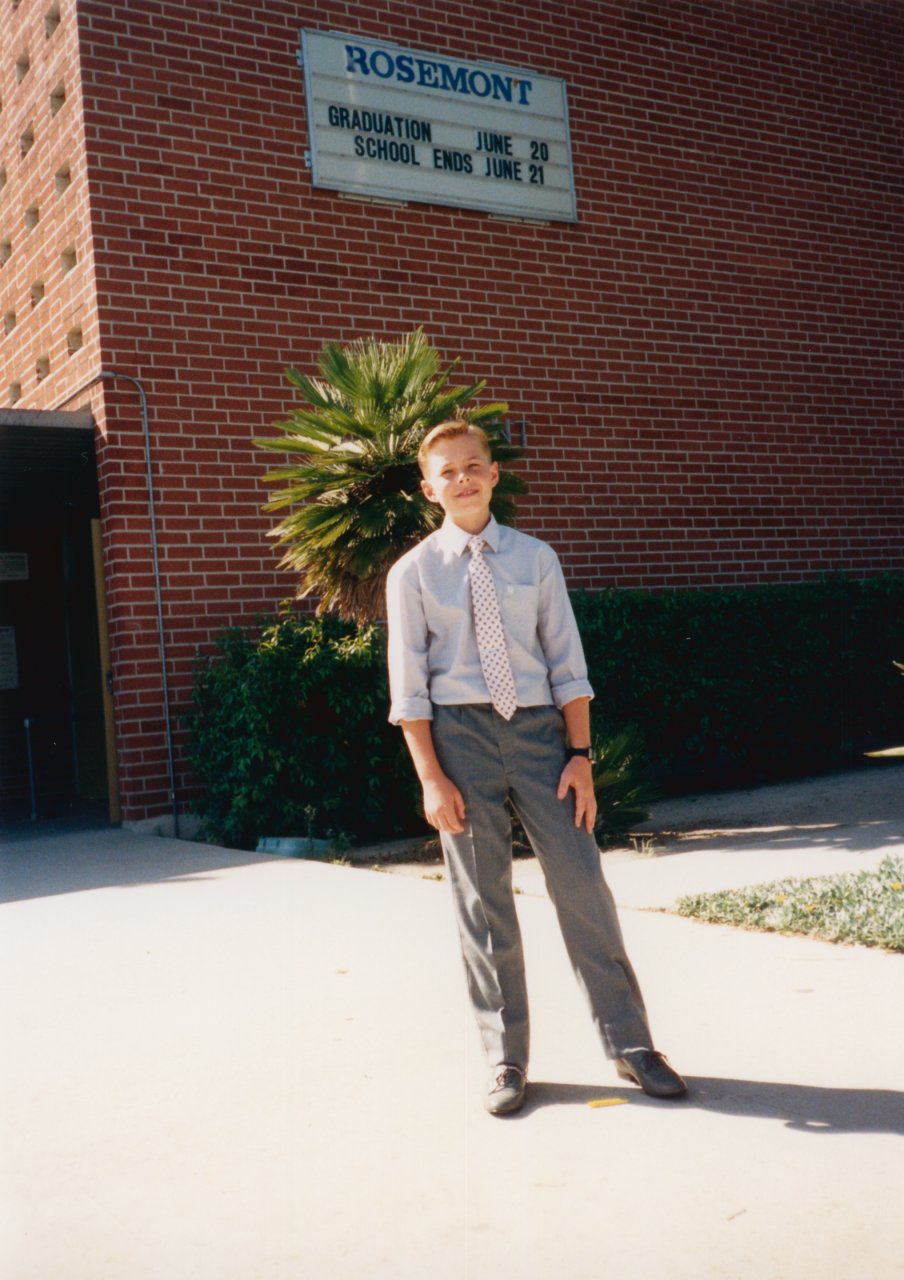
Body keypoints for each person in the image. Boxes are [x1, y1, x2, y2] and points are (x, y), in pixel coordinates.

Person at [386, 419, 686, 1115]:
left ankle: (632, 1044)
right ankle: (504, 1059)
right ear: (428, 489)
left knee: (582, 883)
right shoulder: (413, 574)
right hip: (458, 738)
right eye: (447, 472)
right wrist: (432, 777)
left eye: (473, 466)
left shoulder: (535, 559)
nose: (462, 479)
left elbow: (567, 668)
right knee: (482, 902)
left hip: (541, 738)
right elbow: (409, 691)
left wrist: (579, 757)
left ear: (493, 475)